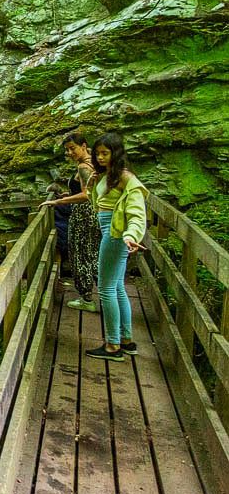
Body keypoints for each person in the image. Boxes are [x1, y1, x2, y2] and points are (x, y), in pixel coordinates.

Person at [85, 132, 148, 361]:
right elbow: (100, 202)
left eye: (105, 153)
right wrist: (92, 185)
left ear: (116, 153)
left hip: (115, 234)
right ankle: (126, 339)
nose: (100, 157)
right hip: (111, 231)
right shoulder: (107, 176)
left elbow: (137, 212)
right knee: (118, 286)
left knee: (105, 288)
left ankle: (112, 345)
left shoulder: (125, 177)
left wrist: (131, 235)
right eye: (98, 153)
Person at [40, 133, 100, 312]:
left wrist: (57, 202)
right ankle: (105, 294)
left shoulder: (84, 166)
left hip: (84, 215)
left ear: (83, 145)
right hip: (92, 214)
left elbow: (86, 195)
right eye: (67, 150)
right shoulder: (92, 162)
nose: (69, 152)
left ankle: (87, 298)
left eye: (72, 148)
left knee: (80, 254)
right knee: (92, 254)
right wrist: (68, 195)